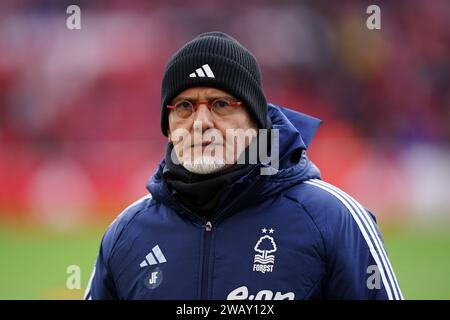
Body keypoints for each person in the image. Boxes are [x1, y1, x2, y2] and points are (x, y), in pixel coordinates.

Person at [85, 31, 403, 300]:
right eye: (184, 106)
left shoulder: (334, 219)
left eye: (221, 104)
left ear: (255, 120)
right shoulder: (127, 232)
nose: (201, 123)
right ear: (168, 126)